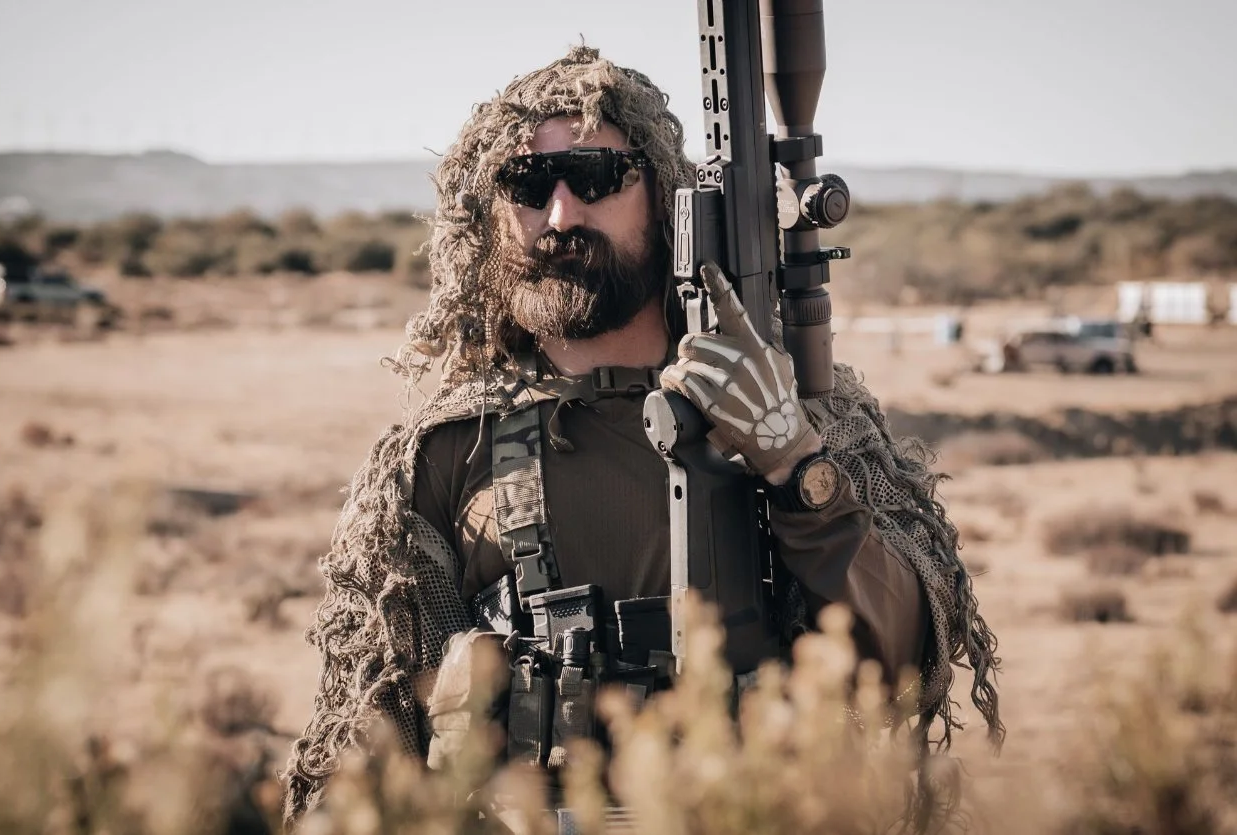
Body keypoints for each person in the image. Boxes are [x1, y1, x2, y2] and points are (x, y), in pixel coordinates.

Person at [283, 45, 1002, 823]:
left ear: (665, 199)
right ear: (490, 217)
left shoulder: (800, 409)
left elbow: (908, 663)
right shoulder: (444, 453)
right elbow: (369, 753)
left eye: (593, 177)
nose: (560, 214)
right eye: (526, 185)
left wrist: (797, 465)